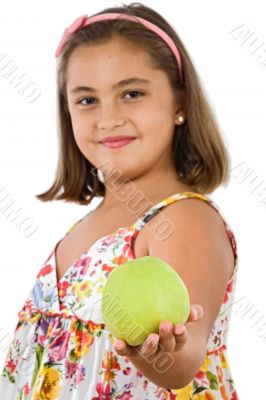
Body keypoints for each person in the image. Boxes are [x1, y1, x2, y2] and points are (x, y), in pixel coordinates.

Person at [0, 2, 239, 399]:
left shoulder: (183, 220)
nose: (108, 117)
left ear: (179, 102)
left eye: (131, 93)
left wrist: (160, 350)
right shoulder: (86, 226)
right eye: (87, 100)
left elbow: (181, 361)